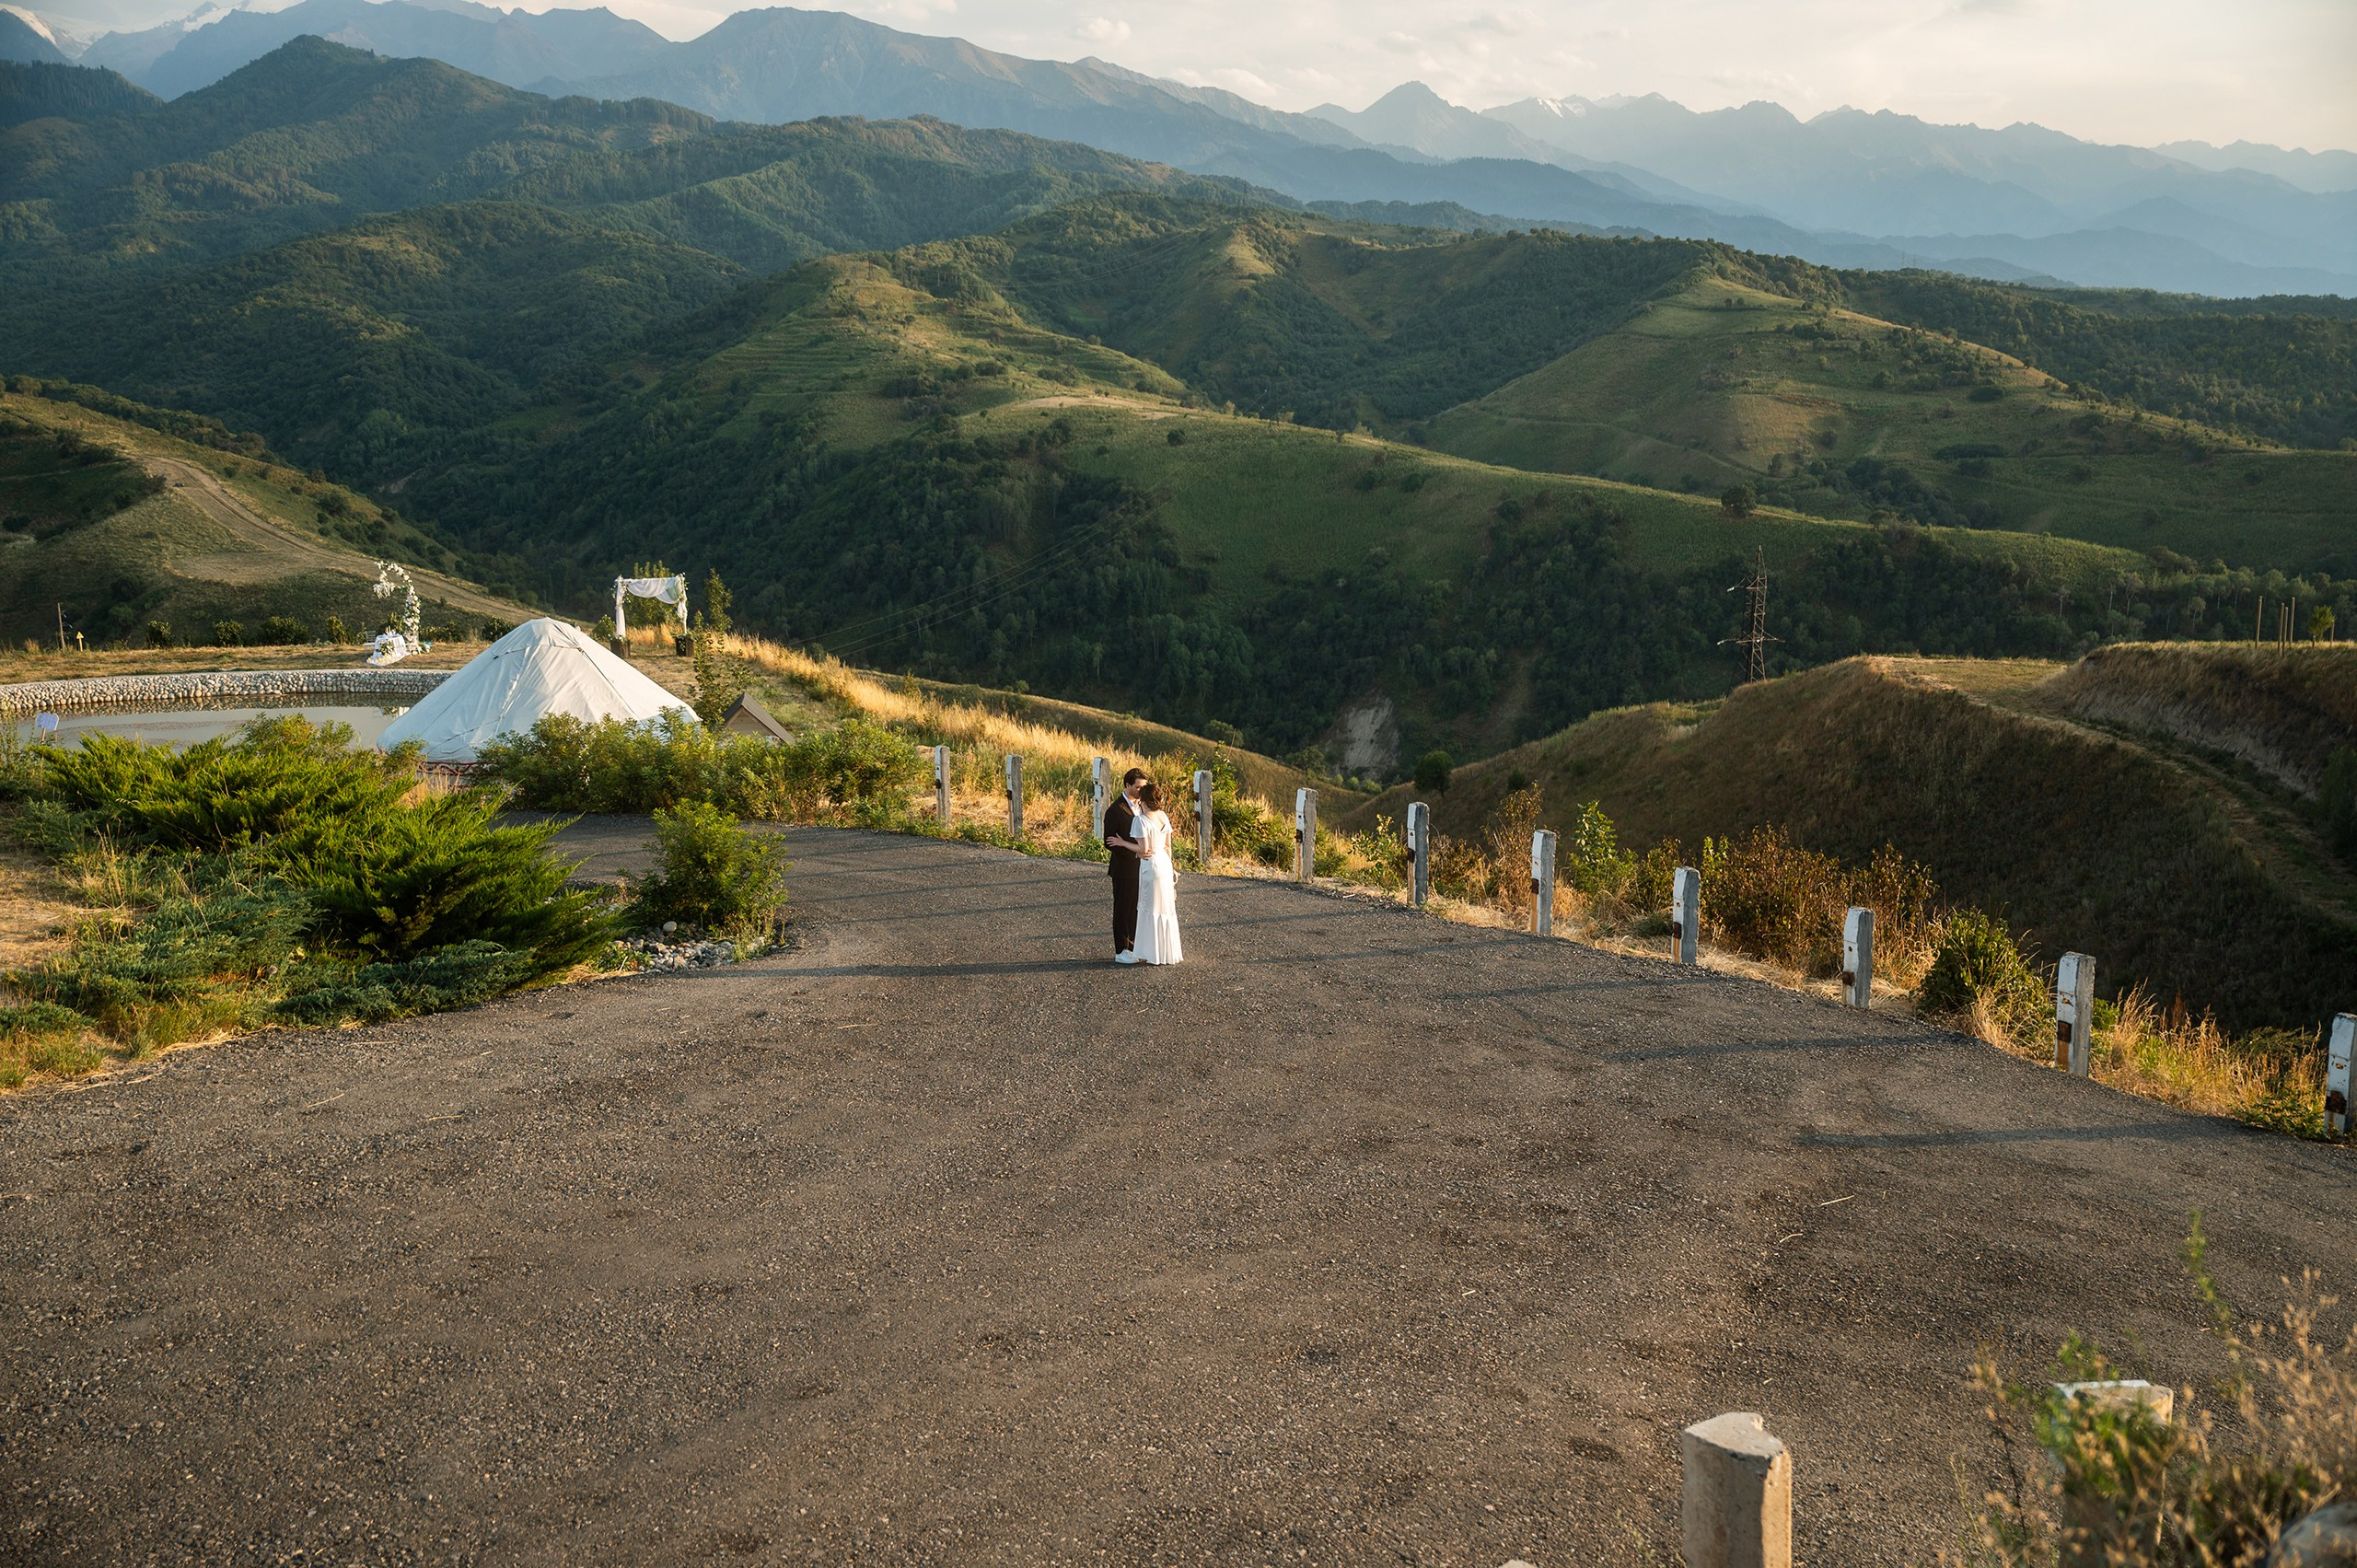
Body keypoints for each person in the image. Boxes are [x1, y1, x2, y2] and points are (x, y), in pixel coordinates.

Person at [1131, 781, 1184, 965]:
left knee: (1149, 907)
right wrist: (1171, 868)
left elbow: (1143, 849)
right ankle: (1167, 953)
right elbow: (1168, 846)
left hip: (1151, 865)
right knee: (1165, 908)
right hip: (1165, 863)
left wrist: (1122, 843)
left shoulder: (1140, 820)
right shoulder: (1163, 816)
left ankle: (1151, 952)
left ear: (1143, 800)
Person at [1105, 767, 1149, 963]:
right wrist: (1135, 851)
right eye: (1138, 787)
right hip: (1124, 869)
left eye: (1144, 787)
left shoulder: (1144, 806)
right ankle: (1121, 950)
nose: (1141, 790)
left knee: (1138, 909)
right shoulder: (1115, 810)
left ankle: (1135, 946)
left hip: (1143, 868)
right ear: (1127, 785)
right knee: (1123, 909)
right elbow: (1109, 841)